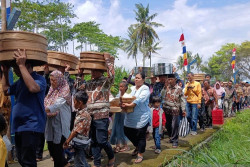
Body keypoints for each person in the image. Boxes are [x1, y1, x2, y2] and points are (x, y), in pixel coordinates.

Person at [1, 49, 46, 167]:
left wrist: (21, 65)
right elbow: (6, 91)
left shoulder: (39, 79)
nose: (16, 71)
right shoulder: (20, 81)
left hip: (31, 125)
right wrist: (5, 72)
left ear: (28, 65)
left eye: (17, 67)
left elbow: (33, 88)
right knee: (21, 159)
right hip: (20, 126)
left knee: (28, 162)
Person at [79, 53, 115, 167]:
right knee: (94, 141)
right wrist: (80, 73)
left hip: (102, 115)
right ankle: (97, 163)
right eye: (91, 70)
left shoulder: (105, 82)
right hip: (90, 116)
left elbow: (112, 76)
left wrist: (108, 60)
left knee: (102, 141)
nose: (93, 72)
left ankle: (111, 156)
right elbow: (77, 87)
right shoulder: (88, 83)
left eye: (95, 70)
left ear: (101, 70)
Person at [122, 72, 151, 163]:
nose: (136, 79)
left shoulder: (145, 88)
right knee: (126, 130)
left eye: (138, 78)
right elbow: (125, 96)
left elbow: (140, 99)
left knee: (141, 135)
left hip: (141, 116)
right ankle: (138, 146)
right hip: (130, 116)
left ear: (143, 79)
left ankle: (140, 154)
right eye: (135, 78)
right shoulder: (131, 88)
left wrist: (131, 104)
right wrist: (122, 101)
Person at [44, 70, 71, 167]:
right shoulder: (52, 89)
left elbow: (57, 104)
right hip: (51, 121)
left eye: (54, 80)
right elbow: (46, 100)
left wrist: (46, 109)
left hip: (60, 122)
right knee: (51, 146)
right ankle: (65, 164)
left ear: (59, 80)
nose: (52, 82)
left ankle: (63, 164)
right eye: (51, 80)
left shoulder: (65, 90)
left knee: (58, 147)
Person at [63, 91, 91, 167]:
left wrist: (67, 141)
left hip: (80, 142)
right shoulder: (81, 112)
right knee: (80, 160)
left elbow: (76, 131)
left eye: (74, 102)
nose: (73, 104)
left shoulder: (84, 115)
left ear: (80, 102)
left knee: (80, 162)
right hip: (79, 141)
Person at [162, 74, 186, 147]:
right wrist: (164, 88)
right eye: (168, 79)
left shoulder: (179, 89)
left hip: (175, 109)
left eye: (171, 79)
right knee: (168, 125)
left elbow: (182, 100)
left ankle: (175, 140)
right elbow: (162, 95)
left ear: (175, 79)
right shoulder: (166, 87)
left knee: (174, 125)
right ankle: (171, 137)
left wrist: (184, 110)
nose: (169, 81)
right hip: (166, 108)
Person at [110, 81, 130, 153]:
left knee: (121, 130)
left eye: (122, 86)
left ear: (125, 88)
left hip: (124, 114)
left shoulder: (127, 96)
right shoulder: (118, 95)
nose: (120, 88)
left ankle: (125, 145)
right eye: (120, 86)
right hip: (118, 114)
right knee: (116, 129)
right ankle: (118, 145)